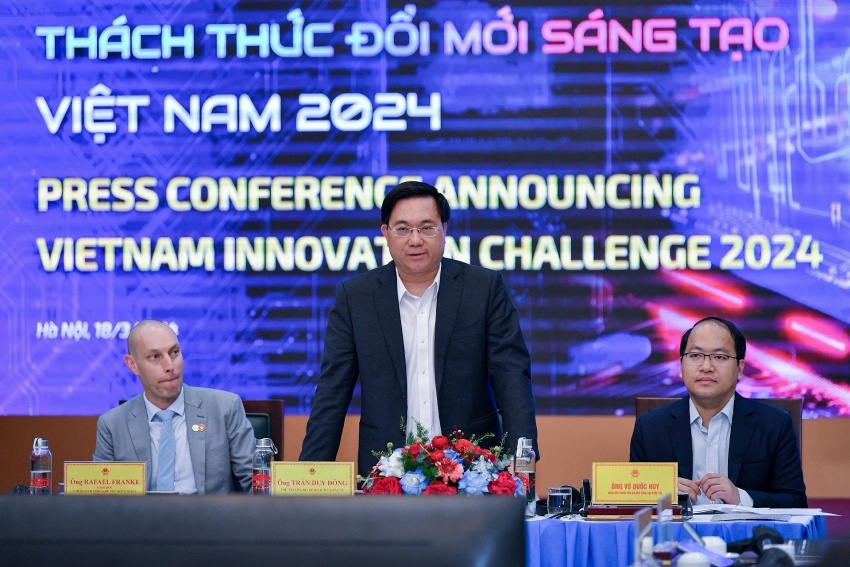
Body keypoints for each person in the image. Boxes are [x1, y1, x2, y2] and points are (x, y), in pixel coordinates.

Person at [299, 180, 538, 478]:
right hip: (386, 471)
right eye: (402, 229)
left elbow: (511, 376)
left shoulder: (483, 289)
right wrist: (308, 474)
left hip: (473, 470)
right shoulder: (356, 297)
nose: (415, 240)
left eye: (426, 228)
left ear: (444, 230)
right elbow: (332, 391)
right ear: (385, 233)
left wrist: (522, 456)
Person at [630, 316, 807, 508]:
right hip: (678, 528)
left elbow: (796, 502)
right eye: (695, 355)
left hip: (746, 528)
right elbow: (631, 503)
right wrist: (661, 493)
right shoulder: (649, 428)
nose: (706, 367)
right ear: (681, 366)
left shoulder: (774, 425)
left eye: (720, 357)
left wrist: (740, 498)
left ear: (739, 369)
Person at [94, 319, 255, 494]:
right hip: (142, 513)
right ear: (133, 365)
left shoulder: (225, 408)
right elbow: (102, 497)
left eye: (174, 352)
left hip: (209, 512)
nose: (170, 366)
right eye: (155, 357)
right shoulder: (112, 425)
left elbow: (258, 485)